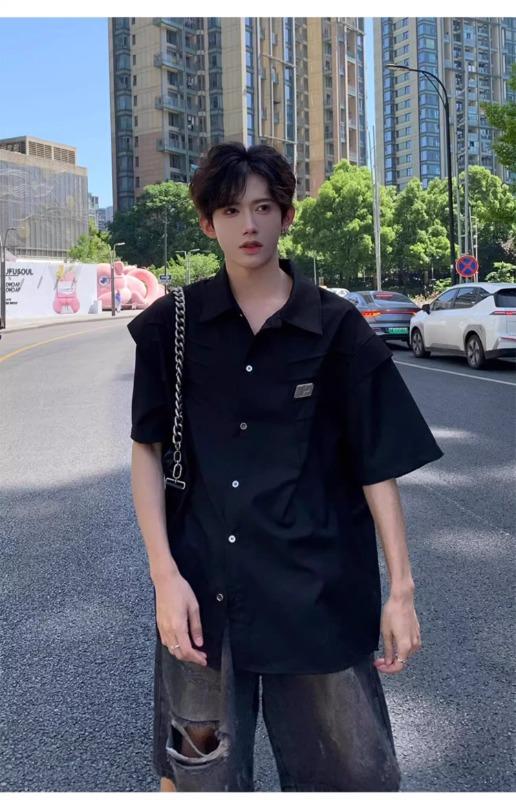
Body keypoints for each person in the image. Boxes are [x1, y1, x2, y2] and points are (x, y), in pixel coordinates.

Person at [127, 142, 444, 792]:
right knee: (198, 774)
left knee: (348, 780)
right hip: (202, 606)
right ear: (208, 223)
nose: (249, 224)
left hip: (318, 602)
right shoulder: (172, 327)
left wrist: (402, 592)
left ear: (287, 216)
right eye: (231, 210)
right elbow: (147, 450)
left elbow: (377, 465)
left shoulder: (337, 329)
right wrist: (164, 578)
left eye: (264, 207)